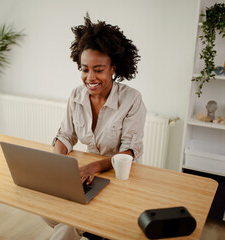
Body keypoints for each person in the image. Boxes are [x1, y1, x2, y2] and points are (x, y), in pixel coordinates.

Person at [44, 14, 147, 240]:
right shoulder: (76, 95)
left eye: (98, 69)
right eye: (84, 69)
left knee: (68, 223)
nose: (90, 77)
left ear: (113, 69)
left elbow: (129, 152)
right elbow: (65, 135)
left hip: (119, 180)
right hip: (86, 179)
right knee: (49, 206)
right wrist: (57, 165)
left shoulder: (131, 100)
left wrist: (92, 168)